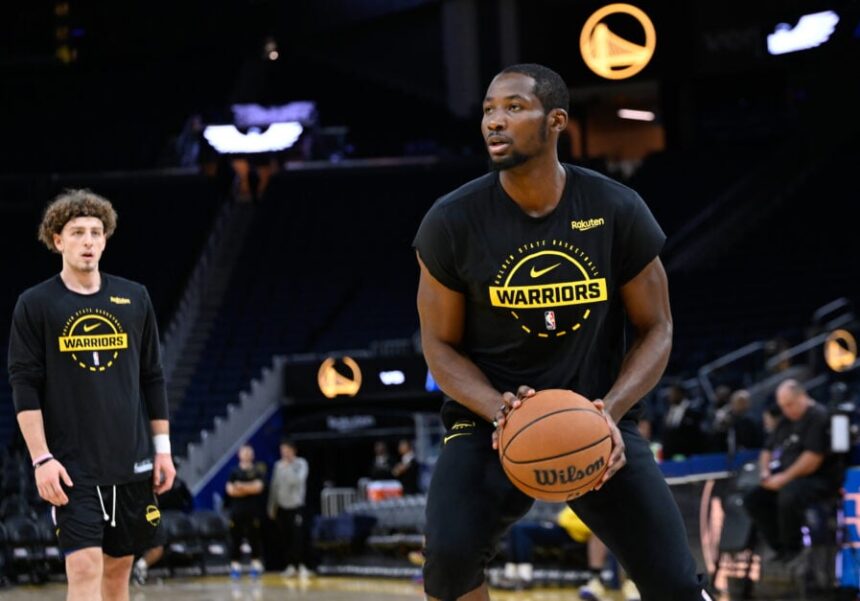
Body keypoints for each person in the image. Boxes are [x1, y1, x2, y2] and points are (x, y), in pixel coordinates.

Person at [413, 63, 712, 600]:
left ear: (556, 121)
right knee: (448, 565)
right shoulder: (452, 221)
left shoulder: (616, 208)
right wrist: (501, 410)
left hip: (597, 418)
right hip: (488, 425)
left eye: (513, 108)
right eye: (487, 110)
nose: (494, 122)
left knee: (675, 584)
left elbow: (657, 327)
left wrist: (611, 411)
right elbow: (438, 344)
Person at [7, 189, 176, 601]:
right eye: (77, 232)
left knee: (118, 575)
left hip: (131, 461)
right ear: (57, 240)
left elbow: (152, 377)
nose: (88, 241)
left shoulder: (134, 298)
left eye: (96, 232)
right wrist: (41, 458)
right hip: (71, 467)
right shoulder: (35, 304)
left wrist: (163, 450)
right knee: (84, 568)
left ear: (106, 239)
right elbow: (24, 383)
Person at [743, 378, 843, 563]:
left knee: (788, 494)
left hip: (818, 480)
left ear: (802, 396)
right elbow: (767, 450)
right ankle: (779, 547)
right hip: (787, 478)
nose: (787, 410)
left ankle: (793, 548)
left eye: (790, 404)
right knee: (753, 498)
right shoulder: (786, 420)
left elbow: (812, 459)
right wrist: (765, 474)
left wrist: (782, 479)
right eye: (783, 406)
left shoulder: (818, 416)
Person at [502, 505, 641, 600]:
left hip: (576, 534)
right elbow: (563, 518)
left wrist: (562, 521)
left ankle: (631, 583)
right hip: (566, 530)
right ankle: (516, 573)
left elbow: (566, 520)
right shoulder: (581, 498)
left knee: (602, 532)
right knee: (517, 527)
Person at [132, 465, 193, 585]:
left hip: (152, 512)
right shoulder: (139, 476)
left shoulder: (176, 483)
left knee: (158, 545)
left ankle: (140, 567)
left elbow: (189, 502)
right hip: (134, 513)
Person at [267, 439, 313, 579]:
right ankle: (290, 566)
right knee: (285, 537)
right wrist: (271, 506)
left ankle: (302, 565)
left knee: (298, 536)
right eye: (282, 450)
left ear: (293, 450)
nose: (284, 453)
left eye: (287, 450)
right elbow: (274, 486)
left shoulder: (301, 464)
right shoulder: (278, 465)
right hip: (282, 506)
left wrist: (289, 466)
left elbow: (297, 481)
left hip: (296, 506)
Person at [225, 444, 266, 579]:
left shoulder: (257, 471)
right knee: (235, 539)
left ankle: (255, 566)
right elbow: (230, 491)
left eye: (249, 452)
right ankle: (235, 567)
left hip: (253, 511)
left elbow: (258, 488)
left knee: (254, 538)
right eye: (244, 452)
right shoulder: (234, 471)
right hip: (236, 512)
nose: (247, 454)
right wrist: (249, 488)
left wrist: (241, 486)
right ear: (239, 454)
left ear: (252, 455)